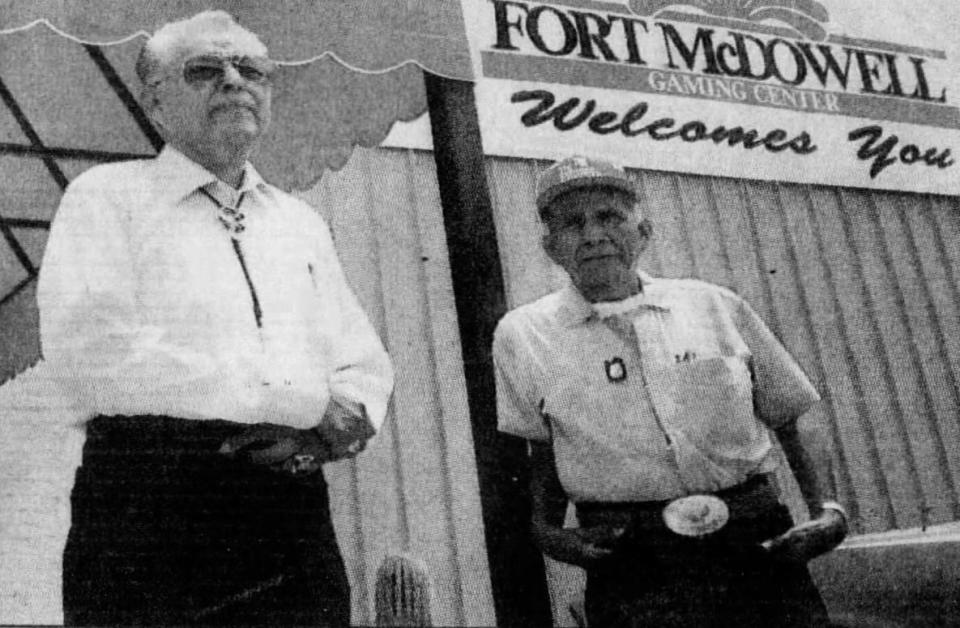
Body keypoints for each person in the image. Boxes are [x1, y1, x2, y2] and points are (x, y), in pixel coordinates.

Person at [37, 11, 393, 626]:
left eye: (250, 69)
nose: (233, 81)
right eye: (204, 70)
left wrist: (330, 428)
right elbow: (92, 356)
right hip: (151, 507)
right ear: (155, 102)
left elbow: (361, 361)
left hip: (288, 503)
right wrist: (300, 400)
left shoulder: (298, 221)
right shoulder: (106, 197)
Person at [493, 156, 847, 627]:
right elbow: (544, 446)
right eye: (573, 224)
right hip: (632, 555)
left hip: (753, 537)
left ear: (645, 231)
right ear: (551, 248)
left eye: (610, 217)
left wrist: (828, 508)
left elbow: (791, 413)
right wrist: (546, 531)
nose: (593, 234)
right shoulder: (524, 334)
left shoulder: (712, 305)